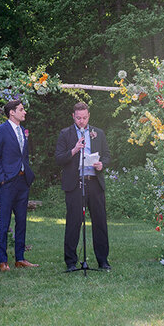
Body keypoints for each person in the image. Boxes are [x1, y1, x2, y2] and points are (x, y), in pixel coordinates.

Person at [55, 101, 110, 271]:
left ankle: (103, 260)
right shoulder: (65, 134)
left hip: (94, 182)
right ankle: (71, 261)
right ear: (73, 116)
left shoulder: (98, 133)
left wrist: (102, 164)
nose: (82, 121)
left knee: (100, 221)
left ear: (89, 116)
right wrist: (74, 150)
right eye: (78, 118)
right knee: (73, 222)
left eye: (84, 118)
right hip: (75, 183)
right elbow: (59, 158)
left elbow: (107, 155)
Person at [0, 98, 36, 270]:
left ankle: (20, 258)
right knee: (4, 220)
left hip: (23, 181)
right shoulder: (1, 130)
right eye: (22, 109)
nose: (24, 112)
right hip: (8, 182)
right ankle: (3, 260)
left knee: (22, 221)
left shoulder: (23, 131)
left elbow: (24, 155)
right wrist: (2, 179)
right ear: (12, 112)